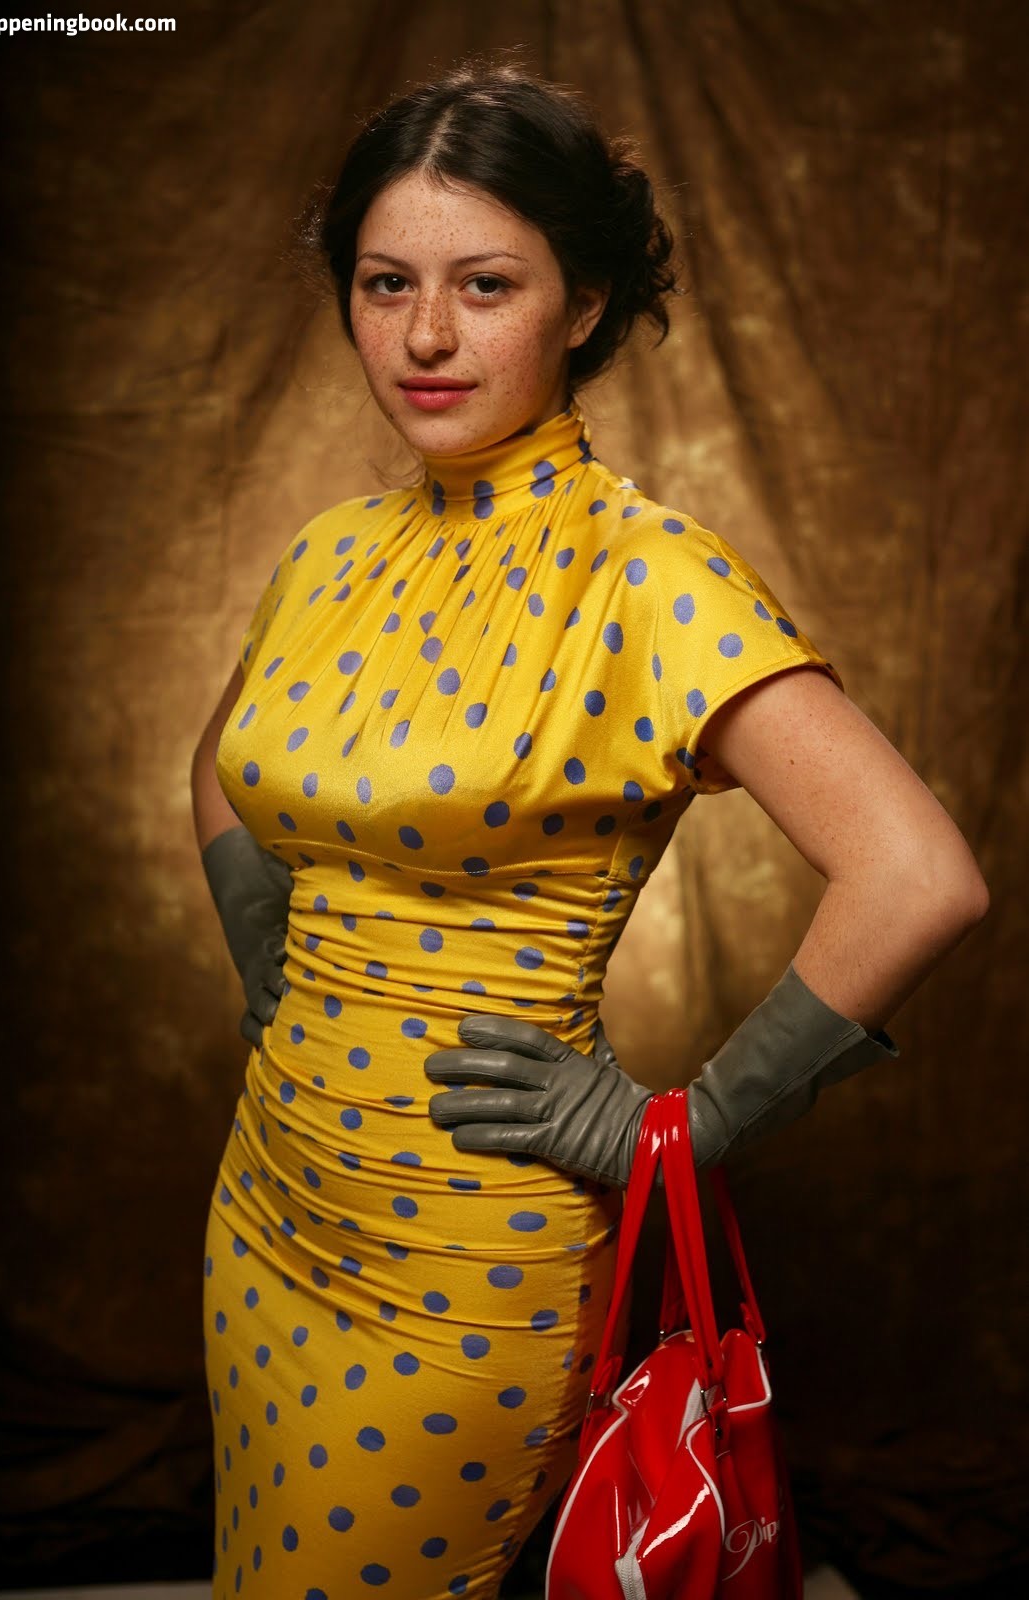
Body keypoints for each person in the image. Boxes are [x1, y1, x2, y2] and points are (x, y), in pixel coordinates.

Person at [190, 54, 989, 1600]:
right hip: (266, 1204)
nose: (426, 335)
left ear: (585, 303)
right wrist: (265, 956)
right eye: (386, 282)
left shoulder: (647, 578)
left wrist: (678, 1130)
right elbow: (224, 766)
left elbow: (918, 877)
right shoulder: (331, 552)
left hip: (459, 1264)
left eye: (485, 284)